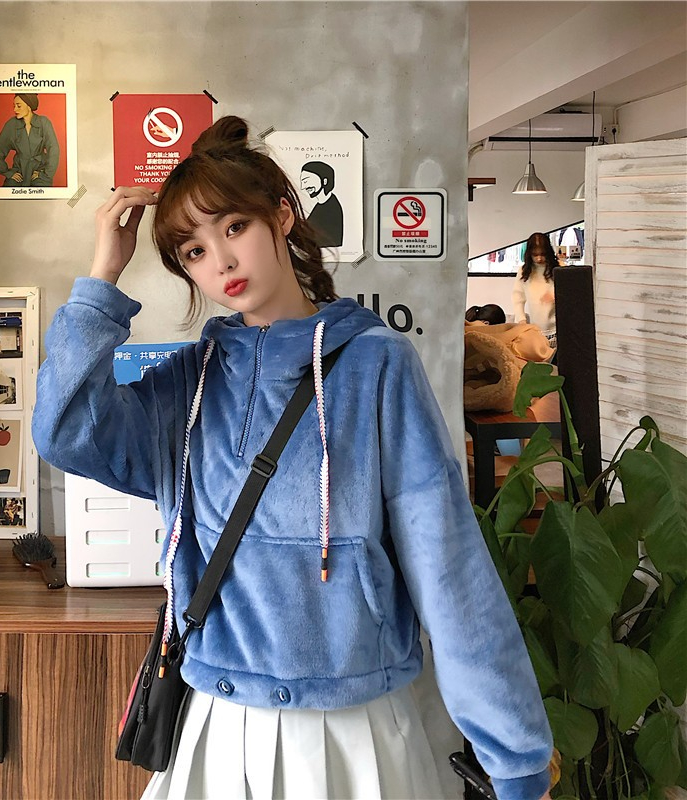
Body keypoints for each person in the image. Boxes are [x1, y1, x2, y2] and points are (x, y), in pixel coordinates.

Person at [32, 116, 553, 800]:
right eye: (194, 250)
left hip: (354, 726)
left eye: (234, 227)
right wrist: (102, 278)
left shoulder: (375, 364)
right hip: (219, 724)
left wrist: (515, 757)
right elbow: (65, 429)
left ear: (281, 216)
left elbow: (447, 565)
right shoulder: (189, 383)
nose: (221, 261)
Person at [0, 93, 60, 188]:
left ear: (29, 106)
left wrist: (46, 174)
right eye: (14, 106)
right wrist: (7, 172)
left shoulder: (44, 122)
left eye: (19, 106)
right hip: (19, 171)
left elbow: (54, 149)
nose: (15, 109)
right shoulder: (11, 124)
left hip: (39, 171)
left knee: (42, 193)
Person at [512, 232, 558, 347]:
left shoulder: (559, 268)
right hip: (535, 329)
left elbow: (570, 294)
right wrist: (521, 319)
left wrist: (555, 295)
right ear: (529, 254)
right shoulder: (524, 271)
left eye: (543, 254)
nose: (539, 258)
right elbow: (518, 298)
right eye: (535, 255)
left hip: (558, 329)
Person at [300, 161, 343, 247]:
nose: (303, 187)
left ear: (325, 181)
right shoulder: (321, 205)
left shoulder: (331, 208)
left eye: (306, 181)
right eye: (302, 182)